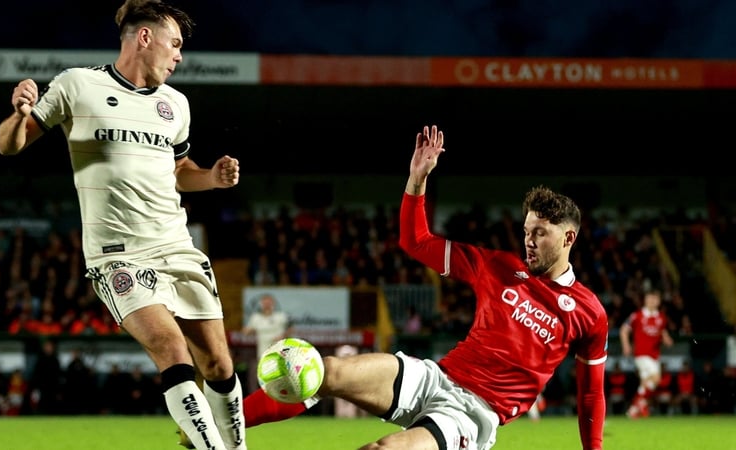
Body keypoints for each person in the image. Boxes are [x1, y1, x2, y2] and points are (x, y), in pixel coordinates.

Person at [239, 125, 609, 450]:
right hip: (436, 378)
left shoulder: (589, 313)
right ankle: (223, 426)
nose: (528, 240)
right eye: (527, 231)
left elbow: (590, 392)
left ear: (568, 238)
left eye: (540, 233)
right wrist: (418, 177)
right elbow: (415, 241)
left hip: (474, 412)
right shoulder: (500, 267)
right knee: (327, 371)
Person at [0, 1, 246, 449]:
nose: (179, 57)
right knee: (171, 351)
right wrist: (18, 113)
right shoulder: (78, 85)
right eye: (175, 44)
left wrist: (210, 177)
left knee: (220, 366)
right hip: (118, 255)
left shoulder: (176, 104)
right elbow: (10, 146)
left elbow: (178, 169)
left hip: (178, 245)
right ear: (144, 38)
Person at [619, 287, 673, 419]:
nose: (652, 301)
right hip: (642, 354)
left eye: (655, 298)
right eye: (649, 298)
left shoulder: (661, 318)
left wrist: (667, 339)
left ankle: (635, 408)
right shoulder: (637, 315)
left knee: (646, 384)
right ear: (645, 300)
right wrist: (626, 345)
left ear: (659, 301)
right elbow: (624, 330)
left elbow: (662, 331)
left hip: (654, 354)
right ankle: (640, 403)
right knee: (656, 378)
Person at [242, 293, 291, 358]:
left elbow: (291, 329)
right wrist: (249, 331)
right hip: (263, 352)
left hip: (280, 351)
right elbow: (246, 331)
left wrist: (283, 336)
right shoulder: (256, 318)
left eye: (269, 303)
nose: (267, 305)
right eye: (265, 303)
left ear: (273, 304)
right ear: (261, 304)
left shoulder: (281, 316)